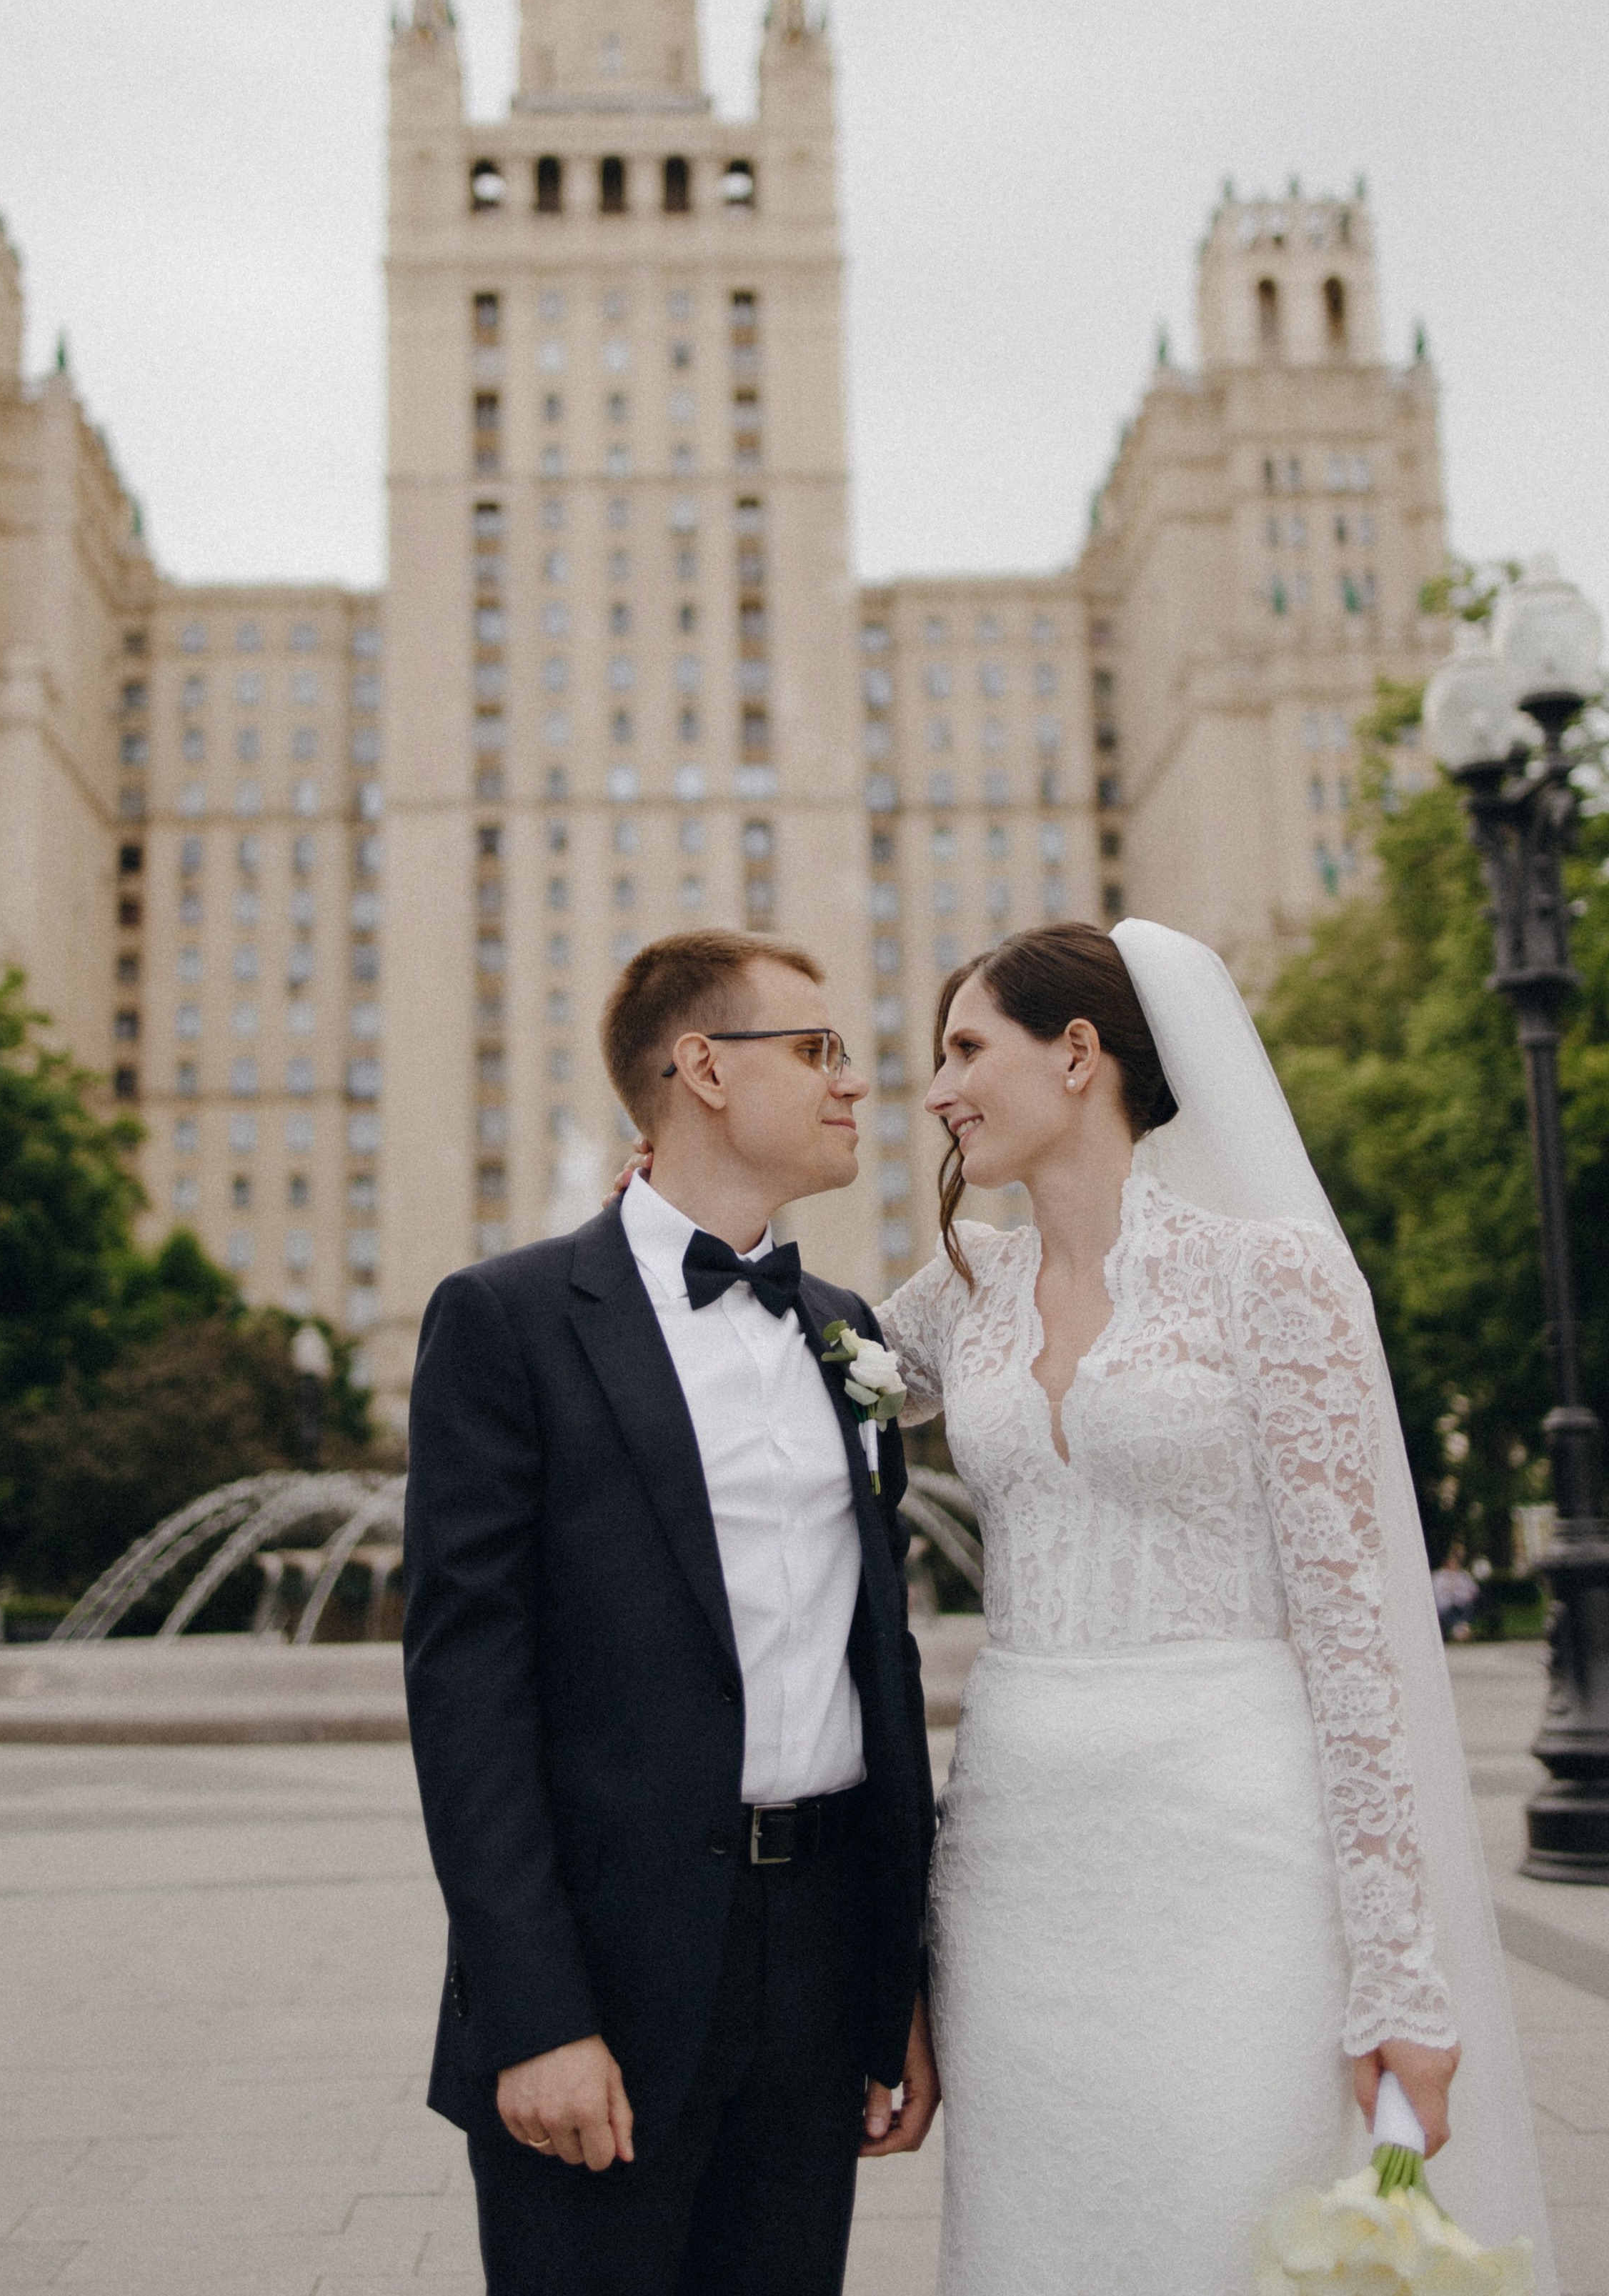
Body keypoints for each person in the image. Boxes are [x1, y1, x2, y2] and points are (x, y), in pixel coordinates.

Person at [878, 917, 1555, 2296]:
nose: (937, 1090)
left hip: (1235, 1850)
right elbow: (766, 1364)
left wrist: (1400, 1985)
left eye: (965, 1048)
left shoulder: (1271, 1279)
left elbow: (1356, 1645)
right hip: (1017, 1869)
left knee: (1219, 2223)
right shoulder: (962, 1296)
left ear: (1080, 1055)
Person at [403, 928, 938, 2296]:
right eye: (817, 1049)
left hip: (820, 1971)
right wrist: (534, 2017)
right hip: (605, 1983)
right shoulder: (504, 1320)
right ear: (701, 1067)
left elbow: (877, 1660)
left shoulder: (848, 1330)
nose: (854, 1084)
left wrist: (896, 1988)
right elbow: (467, 1695)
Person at [1433, 1548, 1482, 1642]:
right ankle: (1461, 1630)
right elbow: (1437, 1594)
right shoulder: (1438, 1577)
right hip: (1445, 1605)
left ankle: (1461, 1629)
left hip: (1462, 1603)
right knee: (1446, 1612)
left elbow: (1474, 1590)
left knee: (1468, 1608)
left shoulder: (1463, 1575)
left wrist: (1465, 1594)